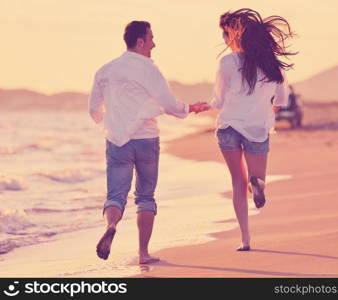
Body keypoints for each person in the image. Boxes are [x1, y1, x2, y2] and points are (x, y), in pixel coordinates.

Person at [88, 20, 209, 264]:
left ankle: (112, 225)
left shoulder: (105, 70)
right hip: (146, 140)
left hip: (117, 141)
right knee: (145, 197)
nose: (154, 43)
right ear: (140, 41)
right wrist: (190, 108)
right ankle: (143, 254)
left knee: (115, 196)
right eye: (151, 38)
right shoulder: (149, 69)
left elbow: (93, 109)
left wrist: (109, 121)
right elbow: (169, 103)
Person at [207, 9, 296, 251]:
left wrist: (203, 106)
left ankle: (245, 239)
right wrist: (263, 112)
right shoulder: (271, 64)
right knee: (256, 179)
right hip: (258, 128)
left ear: (233, 35)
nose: (225, 41)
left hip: (228, 127)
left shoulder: (226, 62)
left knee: (238, 182)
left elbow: (218, 100)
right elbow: (281, 100)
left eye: (225, 35)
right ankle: (258, 185)